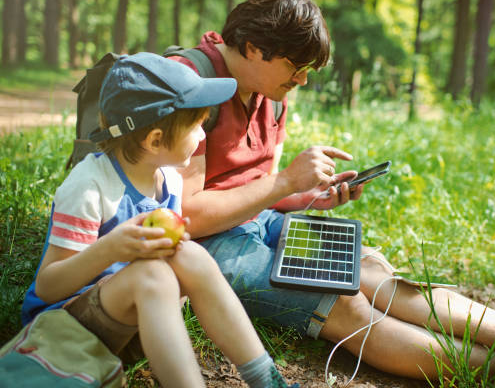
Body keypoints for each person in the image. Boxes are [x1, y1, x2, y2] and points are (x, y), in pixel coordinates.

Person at [173, 0, 495, 382]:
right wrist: (283, 182)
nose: (302, 79)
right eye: (296, 66)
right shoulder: (191, 86)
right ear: (254, 48)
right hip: (205, 247)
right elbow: (188, 216)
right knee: (346, 303)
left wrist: (307, 195)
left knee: (369, 270)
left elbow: (258, 189)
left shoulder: (270, 93)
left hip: (258, 220)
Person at [21, 53, 298, 388]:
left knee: (192, 254)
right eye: (196, 126)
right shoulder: (89, 187)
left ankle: (264, 378)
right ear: (154, 140)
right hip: (66, 330)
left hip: (136, 316)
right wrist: (109, 249)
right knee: (152, 275)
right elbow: (48, 287)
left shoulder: (168, 178)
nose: (202, 135)